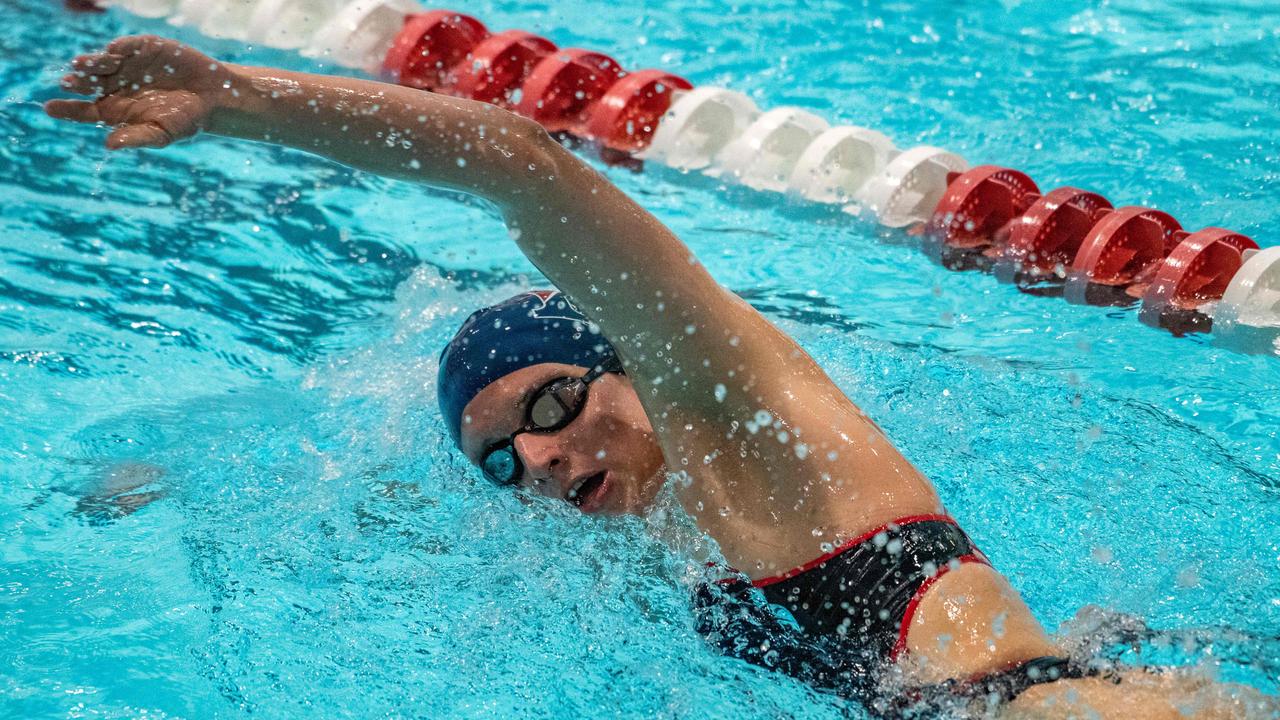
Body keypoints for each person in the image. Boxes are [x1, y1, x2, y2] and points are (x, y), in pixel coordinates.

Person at [46, 36, 1272, 719]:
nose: (533, 457)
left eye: (544, 406)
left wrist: (239, 97)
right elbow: (367, 516)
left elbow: (517, 164)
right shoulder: (640, 525)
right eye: (499, 459)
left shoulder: (727, 405)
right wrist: (177, 493)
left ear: (624, 364)